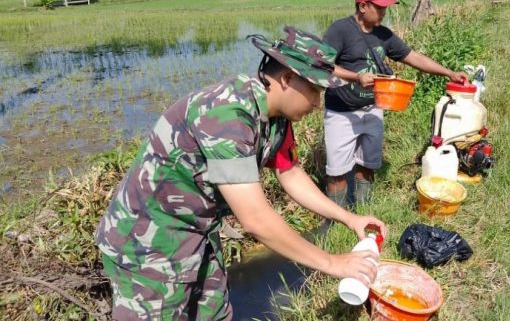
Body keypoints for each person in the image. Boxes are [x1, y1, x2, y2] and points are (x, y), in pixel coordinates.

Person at [95, 26, 387, 320]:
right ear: (286, 79)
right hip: (147, 245)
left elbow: (292, 174)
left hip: (198, 233)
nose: (316, 102)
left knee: (216, 314)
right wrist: (334, 264)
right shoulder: (227, 115)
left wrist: (350, 218)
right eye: (314, 90)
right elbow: (255, 220)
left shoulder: (276, 118)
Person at [323, 0, 469, 208]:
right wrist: (355, 77)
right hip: (341, 112)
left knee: (367, 165)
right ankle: (335, 219)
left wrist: (448, 73)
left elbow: (414, 58)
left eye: (385, 7)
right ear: (363, 6)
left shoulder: (384, 35)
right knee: (337, 172)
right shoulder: (340, 30)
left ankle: (363, 211)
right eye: (379, 7)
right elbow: (322, 65)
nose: (384, 11)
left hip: (373, 110)